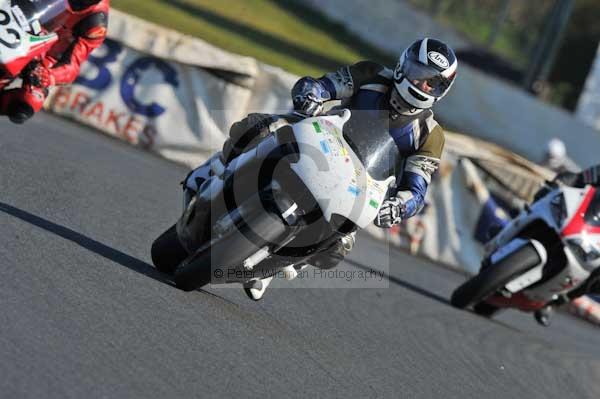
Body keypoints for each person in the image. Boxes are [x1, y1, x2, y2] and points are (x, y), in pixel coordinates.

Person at [182, 38, 458, 300]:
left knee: (339, 248)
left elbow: (416, 187)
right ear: (402, 65)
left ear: (441, 91)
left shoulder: (431, 135)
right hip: (321, 138)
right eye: (418, 72)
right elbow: (326, 85)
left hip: (360, 181)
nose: (421, 84)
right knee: (261, 125)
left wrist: (400, 206)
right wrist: (312, 93)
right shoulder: (372, 74)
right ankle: (216, 168)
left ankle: (272, 266)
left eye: (432, 82)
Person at [0, 0, 109, 124]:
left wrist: (49, 76)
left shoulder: (96, 24)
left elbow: (72, 66)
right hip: (13, 22)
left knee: (29, 103)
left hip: (40, 59)